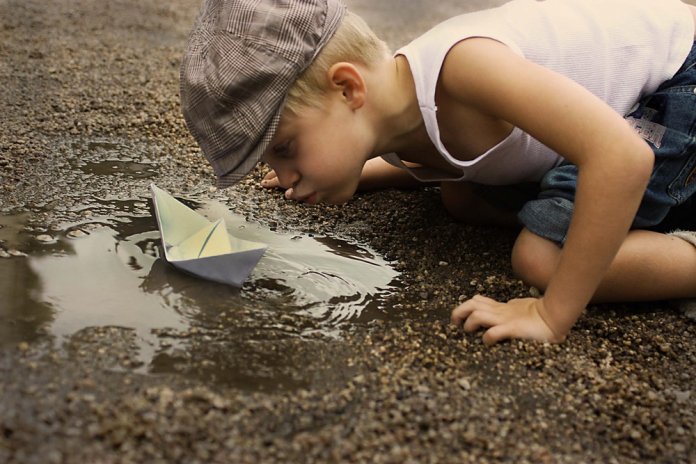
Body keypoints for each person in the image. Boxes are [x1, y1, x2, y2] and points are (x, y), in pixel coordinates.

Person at [180, 0, 696, 344]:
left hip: (679, 78)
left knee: (542, 256)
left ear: (348, 88)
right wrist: (371, 173)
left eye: (287, 149)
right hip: (613, 111)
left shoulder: (467, 67)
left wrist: (549, 314)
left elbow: (623, 157)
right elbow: (436, 156)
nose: (286, 175)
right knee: (460, 198)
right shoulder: (397, 111)